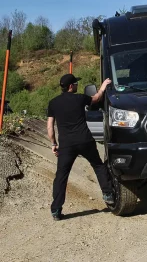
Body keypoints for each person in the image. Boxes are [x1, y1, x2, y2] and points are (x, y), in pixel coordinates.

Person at [47, 74, 114, 221]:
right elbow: (96, 99)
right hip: (85, 140)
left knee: (61, 177)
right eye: (75, 83)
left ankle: (56, 210)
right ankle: (108, 194)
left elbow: (50, 127)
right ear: (71, 86)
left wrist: (54, 144)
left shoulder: (53, 103)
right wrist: (103, 86)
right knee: (97, 165)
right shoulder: (79, 98)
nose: (77, 85)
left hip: (66, 145)